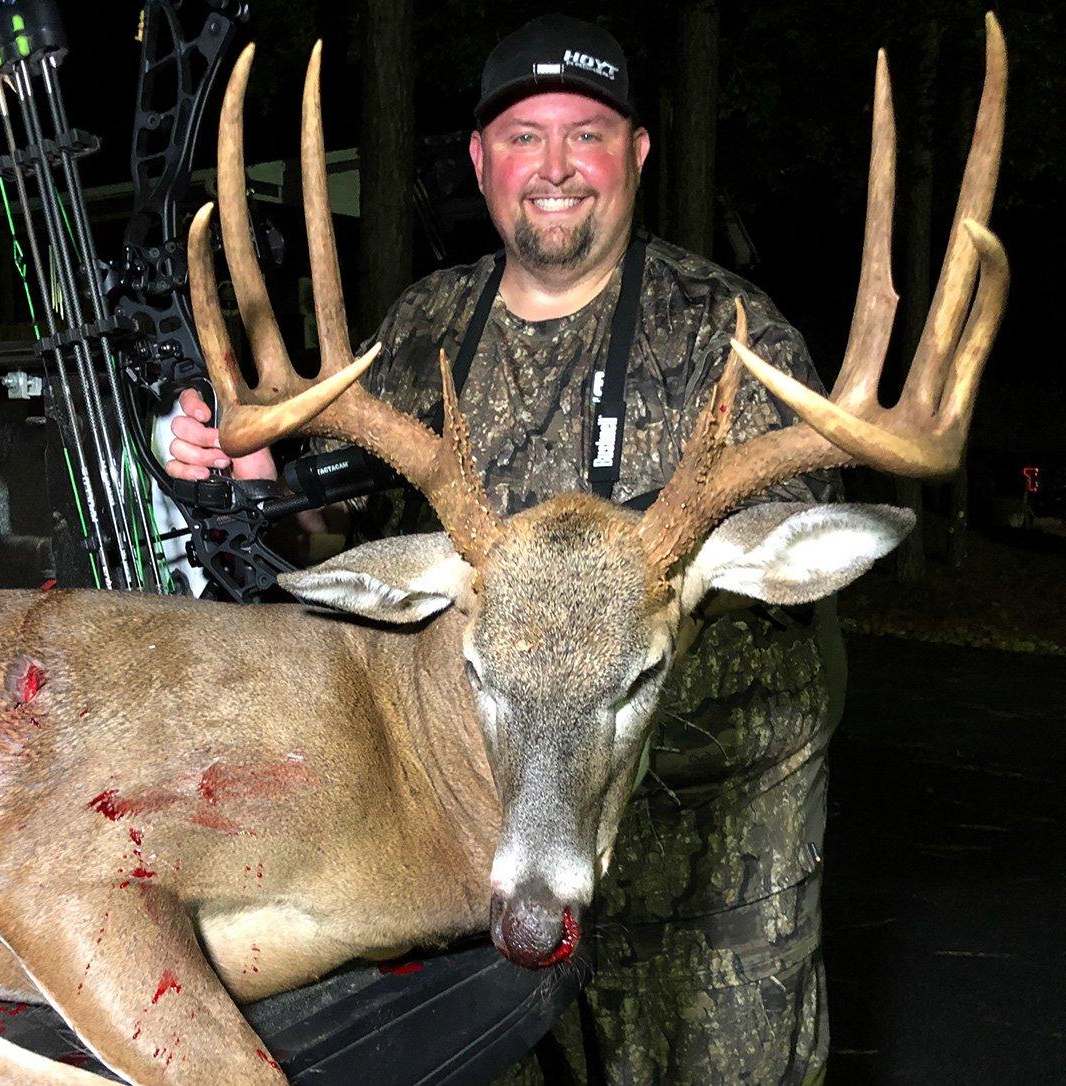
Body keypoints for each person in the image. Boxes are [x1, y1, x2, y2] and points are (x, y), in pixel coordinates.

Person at [168, 15, 841, 1085]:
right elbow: (351, 551)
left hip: (710, 837)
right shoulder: (430, 322)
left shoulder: (731, 333)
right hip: (489, 820)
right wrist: (259, 485)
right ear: (481, 160)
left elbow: (796, 557)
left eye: (589, 133)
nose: (557, 168)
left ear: (638, 154)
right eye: (525, 136)